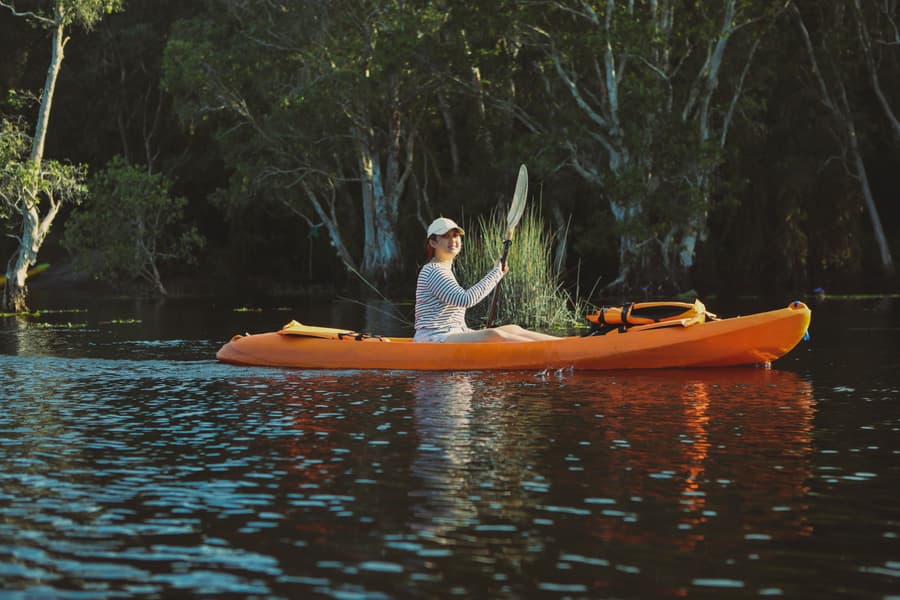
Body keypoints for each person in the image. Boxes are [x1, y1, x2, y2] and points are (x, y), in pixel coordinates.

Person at [413, 217, 561, 343]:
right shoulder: (433, 270)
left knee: (513, 328)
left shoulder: (443, 269)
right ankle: (552, 352)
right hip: (433, 337)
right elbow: (465, 299)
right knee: (493, 334)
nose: (453, 240)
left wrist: (497, 273)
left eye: (456, 235)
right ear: (433, 243)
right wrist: (496, 273)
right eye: (445, 236)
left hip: (455, 332)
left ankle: (565, 343)